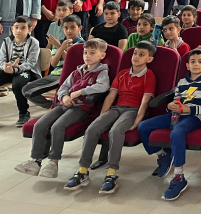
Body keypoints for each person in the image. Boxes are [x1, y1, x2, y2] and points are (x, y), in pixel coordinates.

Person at [64, 40, 157, 194]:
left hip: (133, 110)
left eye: (141, 55)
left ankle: (111, 173)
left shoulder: (149, 75)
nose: (136, 57)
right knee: (92, 129)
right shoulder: (122, 74)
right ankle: (82, 170)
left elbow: (145, 101)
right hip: (116, 108)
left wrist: (137, 120)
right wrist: (102, 116)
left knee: (116, 131)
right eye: (135, 53)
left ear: (149, 59)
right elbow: (111, 96)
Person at [15, 38, 110, 179]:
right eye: (85, 52)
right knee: (40, 124)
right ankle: (35, 161)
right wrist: (64, 97)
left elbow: (103, 86)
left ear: (102, 55)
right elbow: (63, 87)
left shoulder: (101, 72)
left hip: (81, 108)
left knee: (57, 126)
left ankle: (53, 162)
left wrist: (80, 92)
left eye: (92, 53)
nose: (87, 56)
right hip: (64, 104)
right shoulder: (77, 71)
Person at [138, 48, 201, 200]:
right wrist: (170, 106)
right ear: (187, 65)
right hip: (176, 114)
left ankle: (179, 176)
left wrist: (189, 109)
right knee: (143, 126)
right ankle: (162, 155)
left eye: (200, 62)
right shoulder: (182, 82)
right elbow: (176, 100)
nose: (196, 64)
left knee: (177, 132)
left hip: (194, 117)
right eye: (193, 62)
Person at [24, 14, 84, 109]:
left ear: (79, 28)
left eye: (73, 27)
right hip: (55, 75)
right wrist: (60, 47)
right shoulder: (59, 42)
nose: (69, 31)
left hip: (70, 75)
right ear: (62, 29)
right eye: (66, 28)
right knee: (26, 90)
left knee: (33, 91)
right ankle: (51, 105)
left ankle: (57, 105)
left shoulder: (82, 44)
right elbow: (53, 63)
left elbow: (72, 64)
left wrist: (60, 47)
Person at [0, 16, 41, 125]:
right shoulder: (6, 41)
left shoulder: (34, 42)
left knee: (18, 85)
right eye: (16, 27)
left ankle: (24, 113)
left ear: (29, 29)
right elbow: (1, 60)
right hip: (8, 69)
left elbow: (31, 63)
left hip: (25, 71)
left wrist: (16, 69)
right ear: (12, 28)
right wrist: (5, 67)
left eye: (23, 28)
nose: (19, 30)